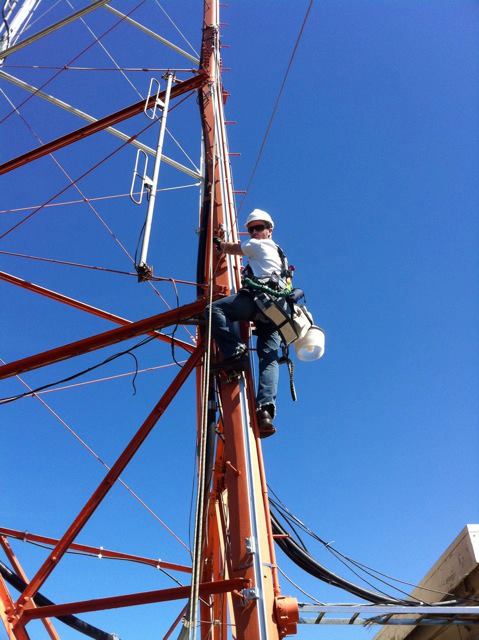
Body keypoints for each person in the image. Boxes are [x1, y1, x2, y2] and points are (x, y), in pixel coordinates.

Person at [208, 209, 291, 438]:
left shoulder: (260, 245)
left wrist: (220, 245)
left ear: (269, 230)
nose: (254, 232)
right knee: (269, 358)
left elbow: (234, 249)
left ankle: (235, 352)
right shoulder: (281, 253)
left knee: (214, 309)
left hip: (259, 302)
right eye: (251, 228)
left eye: (259, 227)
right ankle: (265, 410)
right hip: (277, 311)